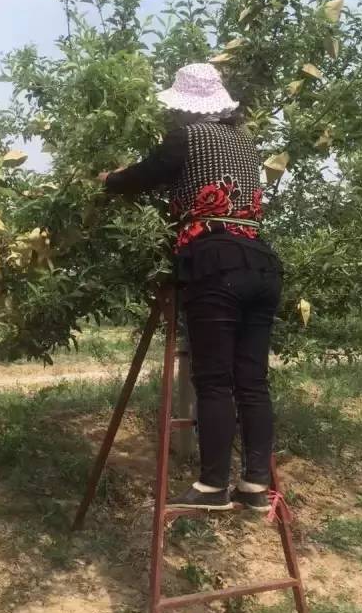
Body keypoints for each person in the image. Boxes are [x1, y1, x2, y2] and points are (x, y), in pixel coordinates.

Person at [98, 63, 283, 512]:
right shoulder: (246, 143)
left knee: (214, 380)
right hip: (262, 263)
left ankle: (212, 485)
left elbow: (144, 175)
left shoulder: (188, 137)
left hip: (215, 262)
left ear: (185, 107)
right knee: (252, 382)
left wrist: (110, 180)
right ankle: (256, 485)